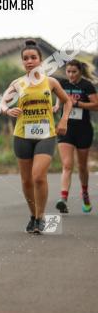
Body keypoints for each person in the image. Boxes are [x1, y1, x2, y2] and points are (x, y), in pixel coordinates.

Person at [0, 40, 72, 234]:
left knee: (38, 176)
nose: (29, 61)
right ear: (23, 62)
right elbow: (2, 103)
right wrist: (7, 110)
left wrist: (63, 120)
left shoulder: (51, 82)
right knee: (26, 181)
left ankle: (40, 217)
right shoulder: (18, 83)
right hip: (22, 135)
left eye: (33, 58)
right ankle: (33, 216)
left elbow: (67, 101)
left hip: (46, 135)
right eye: (25, 58)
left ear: (40, 60)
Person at [54, 59, 97, 214]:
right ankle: (63, 199)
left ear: (80, 72)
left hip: (84, 130)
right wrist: (57, 106)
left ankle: (84, 193)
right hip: (66, 129)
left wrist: (78, 104)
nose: (71, 75)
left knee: (82, 167)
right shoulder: (62, 85)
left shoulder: (87, 86)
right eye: (68, 72)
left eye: (74, 72)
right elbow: (58, 100)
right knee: (67, 165)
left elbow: (96, 105)